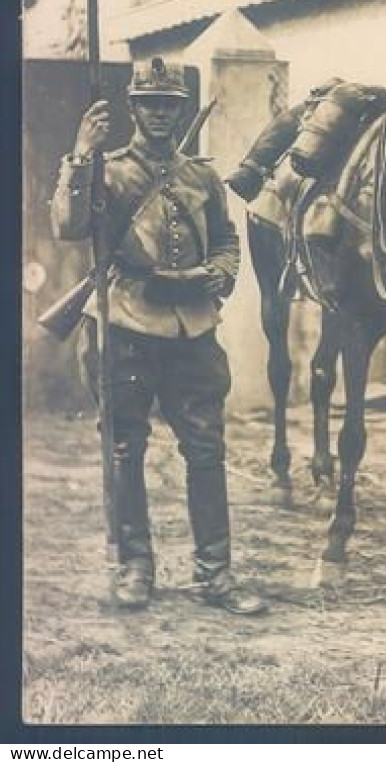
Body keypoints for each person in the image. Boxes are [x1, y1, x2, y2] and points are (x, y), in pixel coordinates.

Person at [50, 57, 267, 615]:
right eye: (150, 103)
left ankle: (214, 576)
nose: (160, 114)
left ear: (181, 110)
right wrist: (80, 153)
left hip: (193, 328)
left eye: (170, 105)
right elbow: (68, 227)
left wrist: (218, 274)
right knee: (125, 450)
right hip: (127, 325)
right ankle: (135, 568)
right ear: (134, 108)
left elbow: (225, 240)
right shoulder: (107, 169)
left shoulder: (201, 176)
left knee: (206, 452)